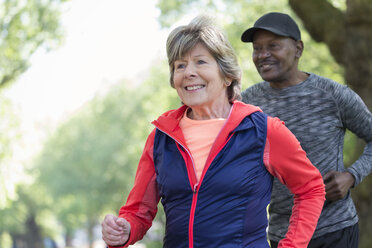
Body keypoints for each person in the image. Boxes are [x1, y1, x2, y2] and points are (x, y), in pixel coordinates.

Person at [101, 15, 325, 248]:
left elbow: (311, 189)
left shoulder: (264, 131)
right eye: (180, 65)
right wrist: (123, 230)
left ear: (227, 75)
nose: (188, 72)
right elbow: (138, 211)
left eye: (200, 62)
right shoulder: (161, 138)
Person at [241, 12, 372, 248]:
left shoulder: (333, 95)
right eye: (257, 48)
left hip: (335, 229)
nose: (262, 55)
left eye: (273, 46)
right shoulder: (247, 103)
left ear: (298, 49)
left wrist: (351, 176)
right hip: (283, 234)